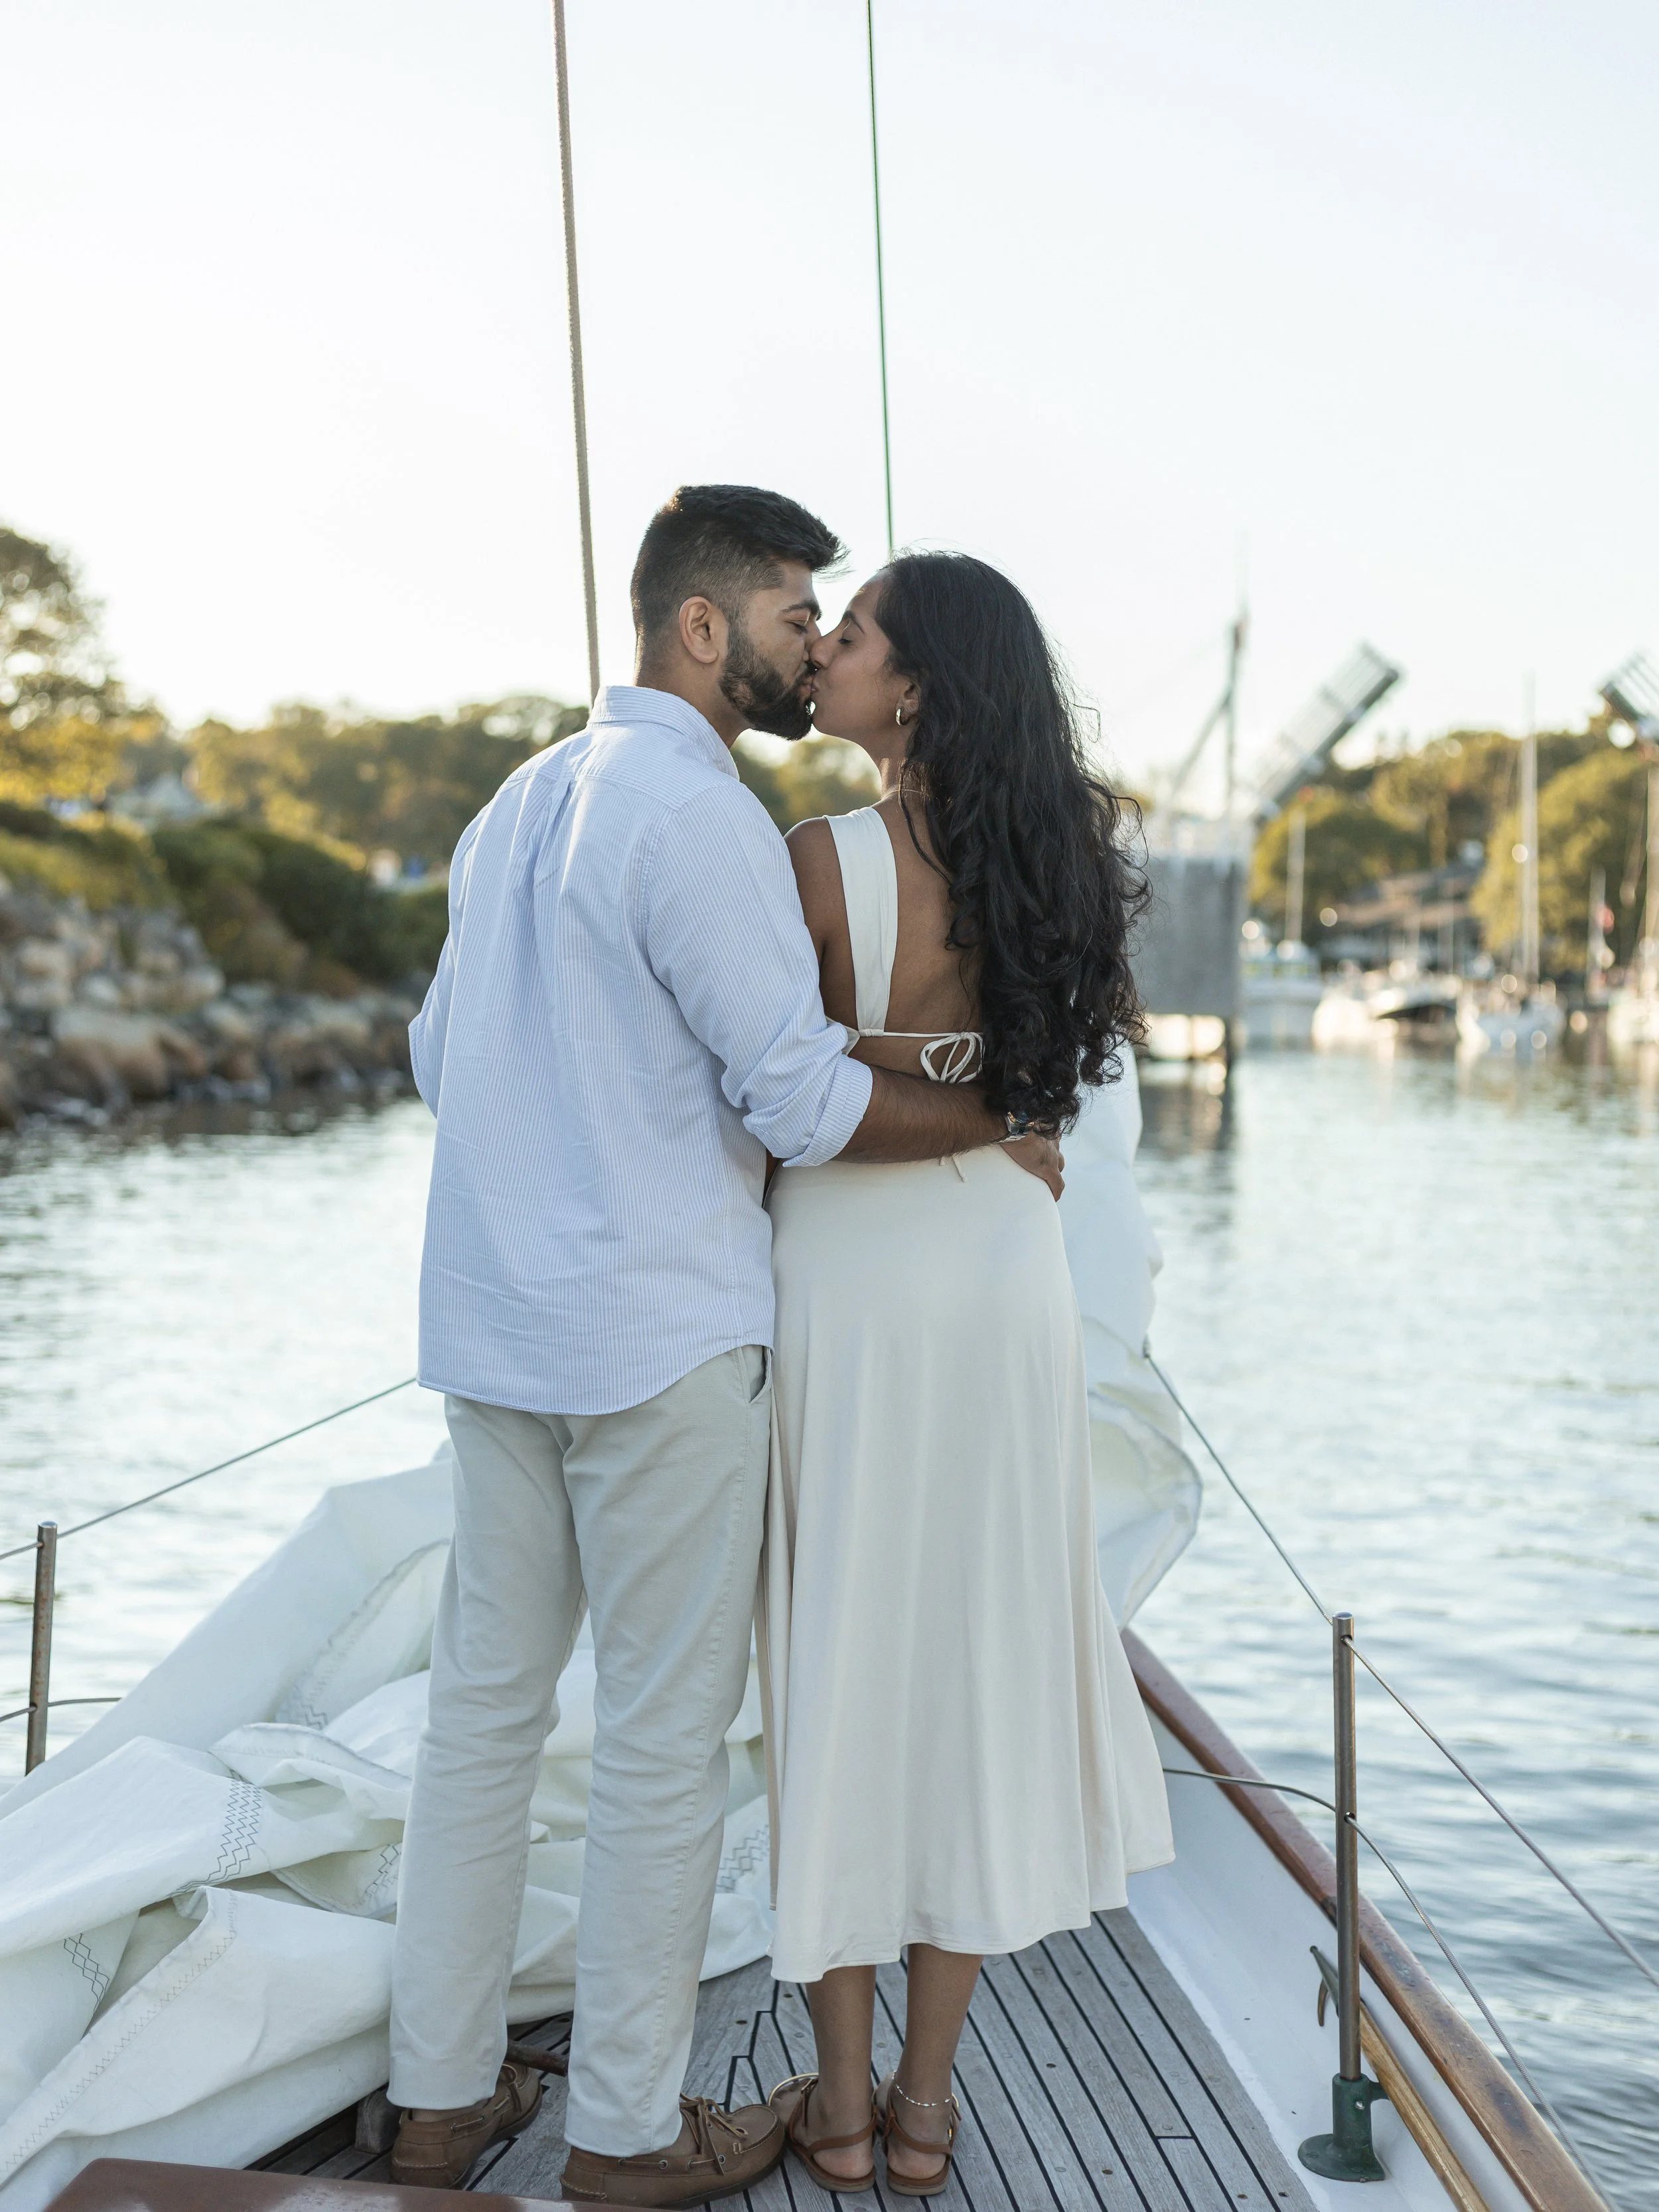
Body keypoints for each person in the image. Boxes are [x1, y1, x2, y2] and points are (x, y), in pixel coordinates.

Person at [386, 487, 1061, 2203]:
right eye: (788, 615)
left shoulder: (518, 799)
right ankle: (621, 2131)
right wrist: (996, 1105)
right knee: (662, 1749)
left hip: (491, 1325)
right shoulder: (692, 817)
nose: (805, 645)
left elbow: (434, 1055)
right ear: (704, 625)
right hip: (659, 1341)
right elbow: (806, 1100)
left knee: (479, 1724)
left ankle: (440, 2105)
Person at [759, 552, 1174, 2197]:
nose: (826, 658)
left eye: (848, 638)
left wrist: (875, 1058)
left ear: (913, 684)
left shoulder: (813, 862)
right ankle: (933, 2114)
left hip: (845, 1279)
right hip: (1002, 1270)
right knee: (976, 1668)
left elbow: (765, 1091)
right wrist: (984, 1091)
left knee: (844, 1665)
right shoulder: (1066, 862)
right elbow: (1050, 1085)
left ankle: (842, 2110)